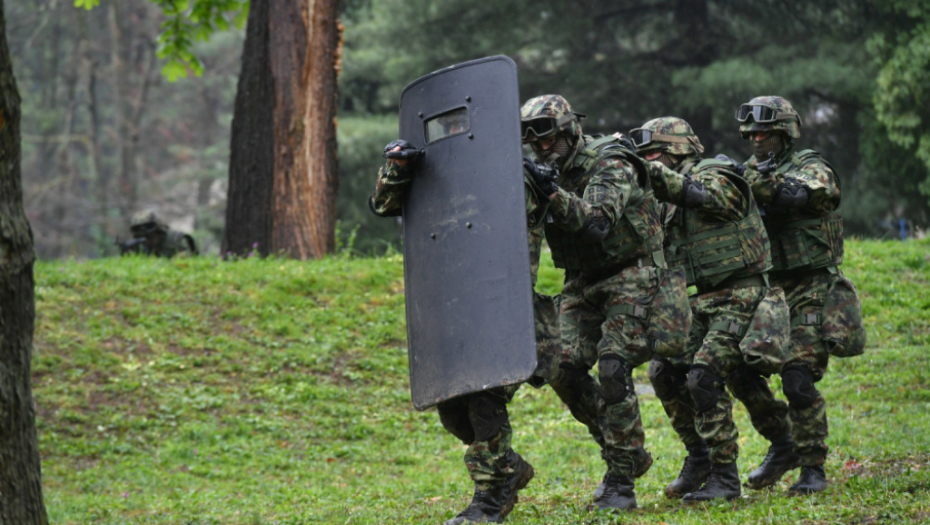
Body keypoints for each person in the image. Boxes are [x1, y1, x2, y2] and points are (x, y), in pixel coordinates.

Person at [369, 131, 561, 524]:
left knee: (484, 395)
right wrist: (398, 168)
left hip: (501, 304)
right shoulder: (430, 173)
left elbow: (536, 215)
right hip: (451, 306)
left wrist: (546, 188)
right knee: (453, 410)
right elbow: (384, 206)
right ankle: (509, 468)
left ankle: (490, 500)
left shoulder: (515, 174)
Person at [521, 95, 690, 511]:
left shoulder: (609, 161)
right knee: (559, 366)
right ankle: (627, 452)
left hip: (633, 272)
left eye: (552, 140)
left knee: (613, 366)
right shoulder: (543, 171)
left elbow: (597, 222)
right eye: (535, 143)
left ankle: (620, 480)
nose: (544, 149)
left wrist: (550, 191)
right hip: (583, 281)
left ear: (571, 130)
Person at [630, 116, 788, 502]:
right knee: (665, 372)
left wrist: (644, 169)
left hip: (740, 295)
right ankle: (704, 456)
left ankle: (725, 479)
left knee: (705, 375)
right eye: (644, 155)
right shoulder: (664, 200)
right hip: (695, 303)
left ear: (678, 149)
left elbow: (706, 196)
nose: (648, 160)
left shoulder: (716, 173)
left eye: (654, 153)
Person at [721, 95, 866, 494]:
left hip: (812, 288)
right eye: (751, 133)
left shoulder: (810, 165)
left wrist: (748, 182)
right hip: (769, 293)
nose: (756, 139)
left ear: (785, 133)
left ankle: (812, 467)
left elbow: (798, 195)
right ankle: (783, 443)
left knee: (797, 379)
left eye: (765, 132)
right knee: (739, 369)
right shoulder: (746, 172)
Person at [119, 210, 197, 257]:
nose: (148, 241)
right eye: (145, 238)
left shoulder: (176, 240)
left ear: (159, 231)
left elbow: (188, 261)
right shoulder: (139, 247)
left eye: (151, 237)